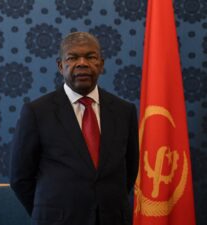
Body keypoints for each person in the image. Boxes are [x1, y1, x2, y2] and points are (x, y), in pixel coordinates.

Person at [10, 32, 139, 225]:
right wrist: (47, 211)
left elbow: (130, 171)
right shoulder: (37, 112)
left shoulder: (124, 111)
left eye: (90, 57)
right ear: (61, 66)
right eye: (72, 57)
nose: (82, 63)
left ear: (101, 65)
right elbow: (20, 178)